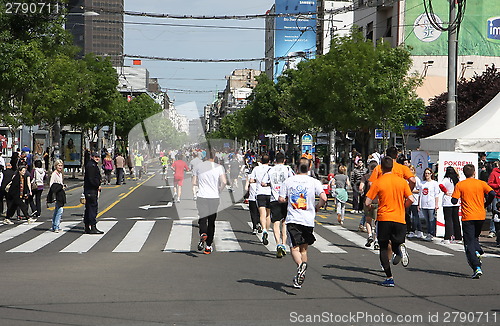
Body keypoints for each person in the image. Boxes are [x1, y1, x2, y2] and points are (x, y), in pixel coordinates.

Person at [365, 156, 414, 287]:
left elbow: (367, 201)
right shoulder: (402, 182)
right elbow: (411, 199)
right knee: (396, 241)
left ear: (381, 167)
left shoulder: (378, 182)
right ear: (392, 167)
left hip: (384, 218)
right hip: (399, 217)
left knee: (383, 247)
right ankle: (399, 249)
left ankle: (389, 277)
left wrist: (370, 206)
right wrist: (403, 206)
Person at [278, 159, 326, 289]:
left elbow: (281, 198)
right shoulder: (314, 182)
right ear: (310, 167)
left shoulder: (288, 181)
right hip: (308, 219)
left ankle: (300, 266)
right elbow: (324, 197)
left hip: (293, 219)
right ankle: (301, 276)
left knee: (294, 248)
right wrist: (317, 207)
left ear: (296, 167)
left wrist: (287, 199)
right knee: (304, 248)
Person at [451, 164, 495, 279]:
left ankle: (476, 267)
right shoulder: (481, 183)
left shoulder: (460, 185)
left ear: (464, 173)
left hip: (468, 217)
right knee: (475, 237)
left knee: (469, 242)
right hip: (480, 215)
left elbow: (454, 200)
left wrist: (455, 197)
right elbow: (492, 193)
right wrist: (486, 203)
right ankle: (478, 251)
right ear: (474, 172)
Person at [192, 149, 226, 254]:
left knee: (202, 218)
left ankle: (203, 233)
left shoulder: (198, 167)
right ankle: (208, 246)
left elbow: (194, 182)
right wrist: (219, 189)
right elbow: (224, 182)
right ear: (215, 156)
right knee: (211, 222)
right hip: (214, 197)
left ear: (205, 156)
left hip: (202, 195)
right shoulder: (219, 167)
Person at [262, 152, 295, 258]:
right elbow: (294, 180)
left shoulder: (270, 170)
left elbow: (263, 183)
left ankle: (278, 244)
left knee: (276, 223)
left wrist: (269, 184)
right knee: (285, 222)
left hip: (274, 199)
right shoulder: (288, 169)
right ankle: (284, 244)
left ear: (275, 160)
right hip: (285, 199)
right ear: (284, 160)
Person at [249, 155, 272, 246]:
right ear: (269, 161)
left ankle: (264, 230)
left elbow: (251, 180)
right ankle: (267, 229)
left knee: (262, 213)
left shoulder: (256, 169)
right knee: (268, 214)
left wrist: (256, 181)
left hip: (260, 193)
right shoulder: (271, 169)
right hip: (270, 193)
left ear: (261, 161)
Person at [440, 166, 462, 243]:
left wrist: (446, 191)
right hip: (455, 200)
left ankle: (448, 237)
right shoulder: (457, 179)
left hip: (447, 200)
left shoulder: (446, 179)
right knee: (456, 219)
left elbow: (441, 185)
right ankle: (458, 237)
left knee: (448, 219)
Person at [83, 151, 104, 234]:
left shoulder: (92, 164)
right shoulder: (91, 165)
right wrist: (97, 184)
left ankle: (87, 227)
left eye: (98, 157)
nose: (97, 158)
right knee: (92, 209)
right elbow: (92, 179)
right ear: (92, 157)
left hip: (89, 190)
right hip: (91, 190)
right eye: (95, 157)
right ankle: (92, 227)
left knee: (88, 209)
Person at [359, 161, 379, 248]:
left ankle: (370, 235)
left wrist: (362, 192)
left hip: (367, 201)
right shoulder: (380, 177)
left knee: (368, 221)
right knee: (377, 222)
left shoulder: (365, 177)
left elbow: (360, 187)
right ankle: (377, 240)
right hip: (378, 201)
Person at [419, 167, 440, 241]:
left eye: (428, 173)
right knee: (427, 220)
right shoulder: (422, 183)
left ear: (431, 174)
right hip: (424, 203)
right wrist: (419, 204)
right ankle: (428, 233)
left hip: (431, 203)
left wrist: (436, 204)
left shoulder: (434, 183)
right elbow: (420, 194)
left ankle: (431, 233)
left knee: (431, 219)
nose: (427, 175)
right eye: (426, 173)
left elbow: (436, 194)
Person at [47, 159, 66, 232]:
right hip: (57, 194)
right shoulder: (54, 174)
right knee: (60, 210)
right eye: (59, 165)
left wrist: (62, 186)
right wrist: (60, 187)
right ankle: (56, 226)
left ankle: (55, 226)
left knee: (57, 210)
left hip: (60, 193)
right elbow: (52, 185)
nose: (60, 167)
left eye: (61, 165)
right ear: (55, 166)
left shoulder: (60, 174)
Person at [407, 165, 424, 239]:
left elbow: (420, 190)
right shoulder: (406, 179)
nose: (411, 171)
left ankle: (417, 230)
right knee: (408, 215)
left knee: (415, 216)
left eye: (412, 169)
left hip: (414, 200)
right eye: (409, 169)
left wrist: (411, 191)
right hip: (407, 199)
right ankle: (410, 230)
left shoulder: (416, 179)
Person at [244, 162, 260, 234]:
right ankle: (259, 223)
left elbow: (246, 188)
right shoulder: (262, 176)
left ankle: (254, 227)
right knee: (260, 212)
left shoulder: (249, 176)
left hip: (252, 197)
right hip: (260, 196)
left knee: (253, 213)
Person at [487, 161, 500, 238]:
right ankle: (492, 230)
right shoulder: (494, 173)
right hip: (496, 196)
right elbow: (489, 184)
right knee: (495, 212)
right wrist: (498, 185)